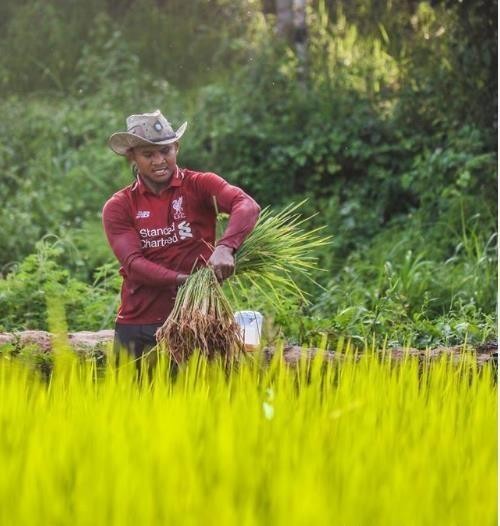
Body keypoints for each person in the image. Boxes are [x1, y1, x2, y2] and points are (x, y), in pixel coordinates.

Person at [103, 109, 260, 363]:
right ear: (132, 157)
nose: (159, 161)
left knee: (196, 399)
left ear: (176, 147)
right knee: (131, 401)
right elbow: (133, 265)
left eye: (165, 151)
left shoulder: (200, 185)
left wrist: (225, 247)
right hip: (138, 324)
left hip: (194, 321)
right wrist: (185, 280)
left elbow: (247, 205)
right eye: (148, 154)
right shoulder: (120, 205)